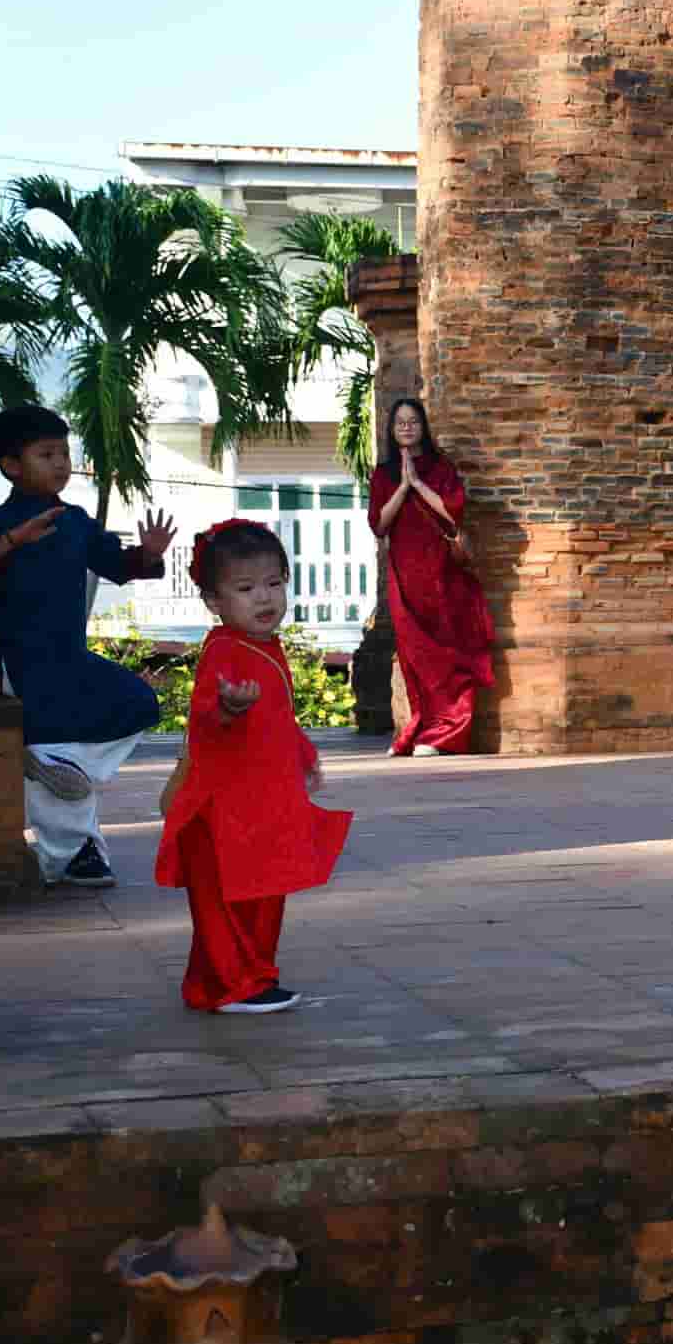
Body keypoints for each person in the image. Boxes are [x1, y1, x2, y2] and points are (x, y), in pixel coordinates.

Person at [0, 403, 175, 889]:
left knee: (137, 703)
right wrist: (11, 541)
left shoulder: (75, 520)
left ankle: (66, 773)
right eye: (46, 453)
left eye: (64, 453)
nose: (60, 463)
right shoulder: (1, 519)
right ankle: (74, 856)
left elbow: (116, 564)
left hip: (70, 654)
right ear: (11, 465)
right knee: (52, 742)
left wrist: (148, 556)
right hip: (21, 659)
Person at [156, 520, 351, 1014]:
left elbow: (279, 718)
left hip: (257, 805)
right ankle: (236, 985)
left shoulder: (265, 647)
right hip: (218, 807)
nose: (264, 598)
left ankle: (224, 982)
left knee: (262, 892)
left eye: (274, 583)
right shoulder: (223, 650)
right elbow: (205, 717)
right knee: (223, 899)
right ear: (214, 601)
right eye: (245, 589)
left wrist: (303, 753)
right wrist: (229, 710)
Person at [367, 398, 494, 757]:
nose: (406, 428)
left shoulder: (441, 468)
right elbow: (379, 524)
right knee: (413, 654)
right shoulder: (383, 473)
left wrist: (419, 484)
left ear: (423, 428)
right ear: (392, 430)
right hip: (404, 572)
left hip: (441, 571)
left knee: (446, 652)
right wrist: (402, 486)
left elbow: (453, 514)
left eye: (413, 422)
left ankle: (447, 734)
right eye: (400, 423)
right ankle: (422, 728)